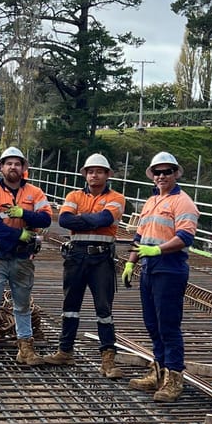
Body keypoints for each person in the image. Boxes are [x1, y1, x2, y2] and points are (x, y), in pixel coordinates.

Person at [121, 151, 199, 402]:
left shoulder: (183, 202)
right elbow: (139, 237)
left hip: (170, 267)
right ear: (152, 176)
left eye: (167, 172)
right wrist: (131, 263)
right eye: (158, 172)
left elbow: (185, 237)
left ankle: (174, 379)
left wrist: (158, 249)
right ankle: (158, 371)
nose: (162, 176)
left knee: (168, 325)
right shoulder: (152, 201)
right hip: (150, 268)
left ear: (176, 173)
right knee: (152, 323)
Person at [44, 154, 126, 378]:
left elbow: (105, 220)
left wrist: (83, 218)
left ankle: (108, 359)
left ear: (107, 174)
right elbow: (64, 221)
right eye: (90, 171)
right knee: (70, 306)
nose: (94, 175)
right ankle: (65, 350)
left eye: (99, 171)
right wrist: (93, 218)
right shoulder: (73, 195)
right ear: (85, 174)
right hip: (76, 256)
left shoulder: (117, 197)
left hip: (101, 259)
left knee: (104, 309)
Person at [0, 147, 52, 367]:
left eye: (17, 164)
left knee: (22, 305)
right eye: (9, 163)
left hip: (23, 258)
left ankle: (25, 349)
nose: (13, 167)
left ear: (24, 168)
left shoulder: (34, 193)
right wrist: (19, 234)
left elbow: (46, 219)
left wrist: (24, 213)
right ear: (1, 167)